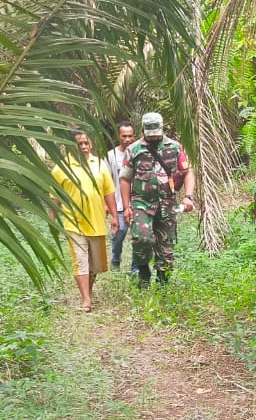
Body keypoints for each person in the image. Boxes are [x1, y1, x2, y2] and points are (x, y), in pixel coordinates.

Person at [118, 111, 194, 287]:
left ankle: (162, 286)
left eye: (156, 133)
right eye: (150, 134)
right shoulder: (134, 149)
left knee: (166, 249)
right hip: (141, 203)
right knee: (141, 239)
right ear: (143, 130)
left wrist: (189, 196)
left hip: (167, 204)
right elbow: (125, 179)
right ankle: (143, 270)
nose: (153, 137)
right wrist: (127, 207)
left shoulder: (175, 147)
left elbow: (188, 172)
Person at [50, 130, 115, 311]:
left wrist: (115, 217)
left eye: (87, 143)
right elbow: (54, 197)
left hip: (97, 222)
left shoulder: (100, 165)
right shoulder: (61, 168)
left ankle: (89, 290)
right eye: (80, 144)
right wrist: (52, 221)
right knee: (81, 262)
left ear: (91, 144)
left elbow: (109, 192)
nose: (84, 147)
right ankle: (86, 299)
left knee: (95, 265)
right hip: (73, 223)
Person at [105, 121, 134, 270]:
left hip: (138, 203)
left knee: (139, 238)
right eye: (124, 136)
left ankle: (136, 268)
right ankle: (115, 260)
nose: (127, 139)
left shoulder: (139, 153)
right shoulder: (111, 155)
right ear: (119, 136)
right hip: (119, 203)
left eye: (130, 136)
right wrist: (106, 204)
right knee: (118, 233)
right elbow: (105, 181)